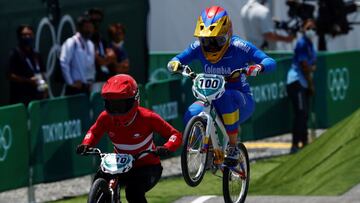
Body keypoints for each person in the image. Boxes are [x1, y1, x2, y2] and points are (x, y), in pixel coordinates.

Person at [167, 6, 276, 166]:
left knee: (226, 97)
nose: (211, 46)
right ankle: (210, 148)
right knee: (191, 113)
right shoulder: (197, 47)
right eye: (205, 41)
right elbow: (177, 59)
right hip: (211, 100)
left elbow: (269, 61)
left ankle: (233, 147)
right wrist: (175, 64)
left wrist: (258, 68)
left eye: (218, 41)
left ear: (228, 33)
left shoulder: (240, 46)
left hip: (241, 101)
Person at [76, 74, 182, 203]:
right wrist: (86, 144)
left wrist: (167, 147)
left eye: (120, 105)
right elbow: (94, 132)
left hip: (147, 168)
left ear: (134, 100)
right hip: (118, 165)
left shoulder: (148, 117)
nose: (115, 111)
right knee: (100, 183)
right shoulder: (105, 117)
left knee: (133, 193)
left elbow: (175, 135)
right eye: (111, 105)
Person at [286, 19, 317, 153]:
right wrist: (311, 85)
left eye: (314, 28)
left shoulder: (311, 44)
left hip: (304, 82)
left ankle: (304, 142)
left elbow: (312, 66)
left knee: (304, 114)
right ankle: (294, 145)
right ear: (304, 29)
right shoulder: (302, 43)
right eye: (309, 27)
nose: (312, 31)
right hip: (296, 81)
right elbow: (305, 66)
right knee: (300, 113)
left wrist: (311, 71)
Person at [8, 24, 48, 106]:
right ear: (19, 37)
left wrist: (45, 90)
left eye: (30, 34)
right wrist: (28, 80)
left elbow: (42, 73)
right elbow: (9, 75)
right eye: (24, 35)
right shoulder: (15, 54)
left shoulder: (36, 54)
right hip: (21, 99)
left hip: (37, 98)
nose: (27, 37)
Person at [59, 15, 96, 96]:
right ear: (79, 28)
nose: (89, 30)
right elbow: (63, 62)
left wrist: (91, 82)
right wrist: (70, 82)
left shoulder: (90, 44)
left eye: (90, 27)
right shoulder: (71, 42)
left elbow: (91, 65)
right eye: (86, 27)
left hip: (87, 87)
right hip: (74, 88)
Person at [87, 8, 117, 82]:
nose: (96, 23)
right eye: (93, 21)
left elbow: (112, 57)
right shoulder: (86, 41)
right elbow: (99, 61)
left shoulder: (102, 39)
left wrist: (105, 60)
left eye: (98, 20)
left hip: (105, 78)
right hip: (93, 79)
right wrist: (105, 60)